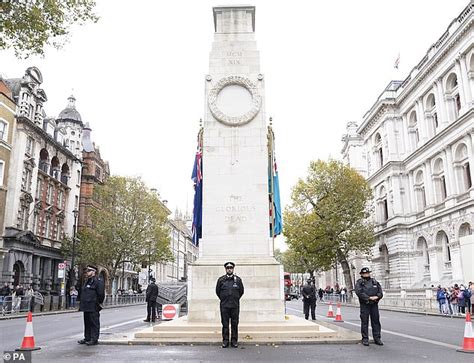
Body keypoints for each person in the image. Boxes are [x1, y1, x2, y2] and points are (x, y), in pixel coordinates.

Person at [215, 262, 244, 348]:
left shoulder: (238, 280)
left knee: (234, 324)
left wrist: (235, 298)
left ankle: (234, 341)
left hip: (235, 305)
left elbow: (241, 291)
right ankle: (225, 341)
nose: (229, 269)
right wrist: (224, 299)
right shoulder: (221, 280)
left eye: (231, 267)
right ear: (225, 269)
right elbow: (217, 292)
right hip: (224, 305)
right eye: (228, 268)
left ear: (233, 269)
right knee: (225, 324)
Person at [355, 267, 383, 346]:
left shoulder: (374, 281)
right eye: (364, 273)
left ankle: (377, 338)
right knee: (364, 322)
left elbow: (380, 291)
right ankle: (365, 338)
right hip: (365, 304)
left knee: (376, 321)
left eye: (367, 273)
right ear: (362, 274)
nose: (366, 274)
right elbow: (359, 292)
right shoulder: (360, 282)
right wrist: (368, 298)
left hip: (374, 304)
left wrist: (377, 297)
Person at [78, 265, 105, 346]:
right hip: (86, 306)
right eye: (87, 271)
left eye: (89, 271)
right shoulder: (87, 281)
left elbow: (101, 294)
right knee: (87, 323)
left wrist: (98, 303)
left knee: (94, 323)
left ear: (93, 272)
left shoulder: (98, 281)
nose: (87, 272)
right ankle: (87, 337)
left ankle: (94, 339)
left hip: (93, 305)